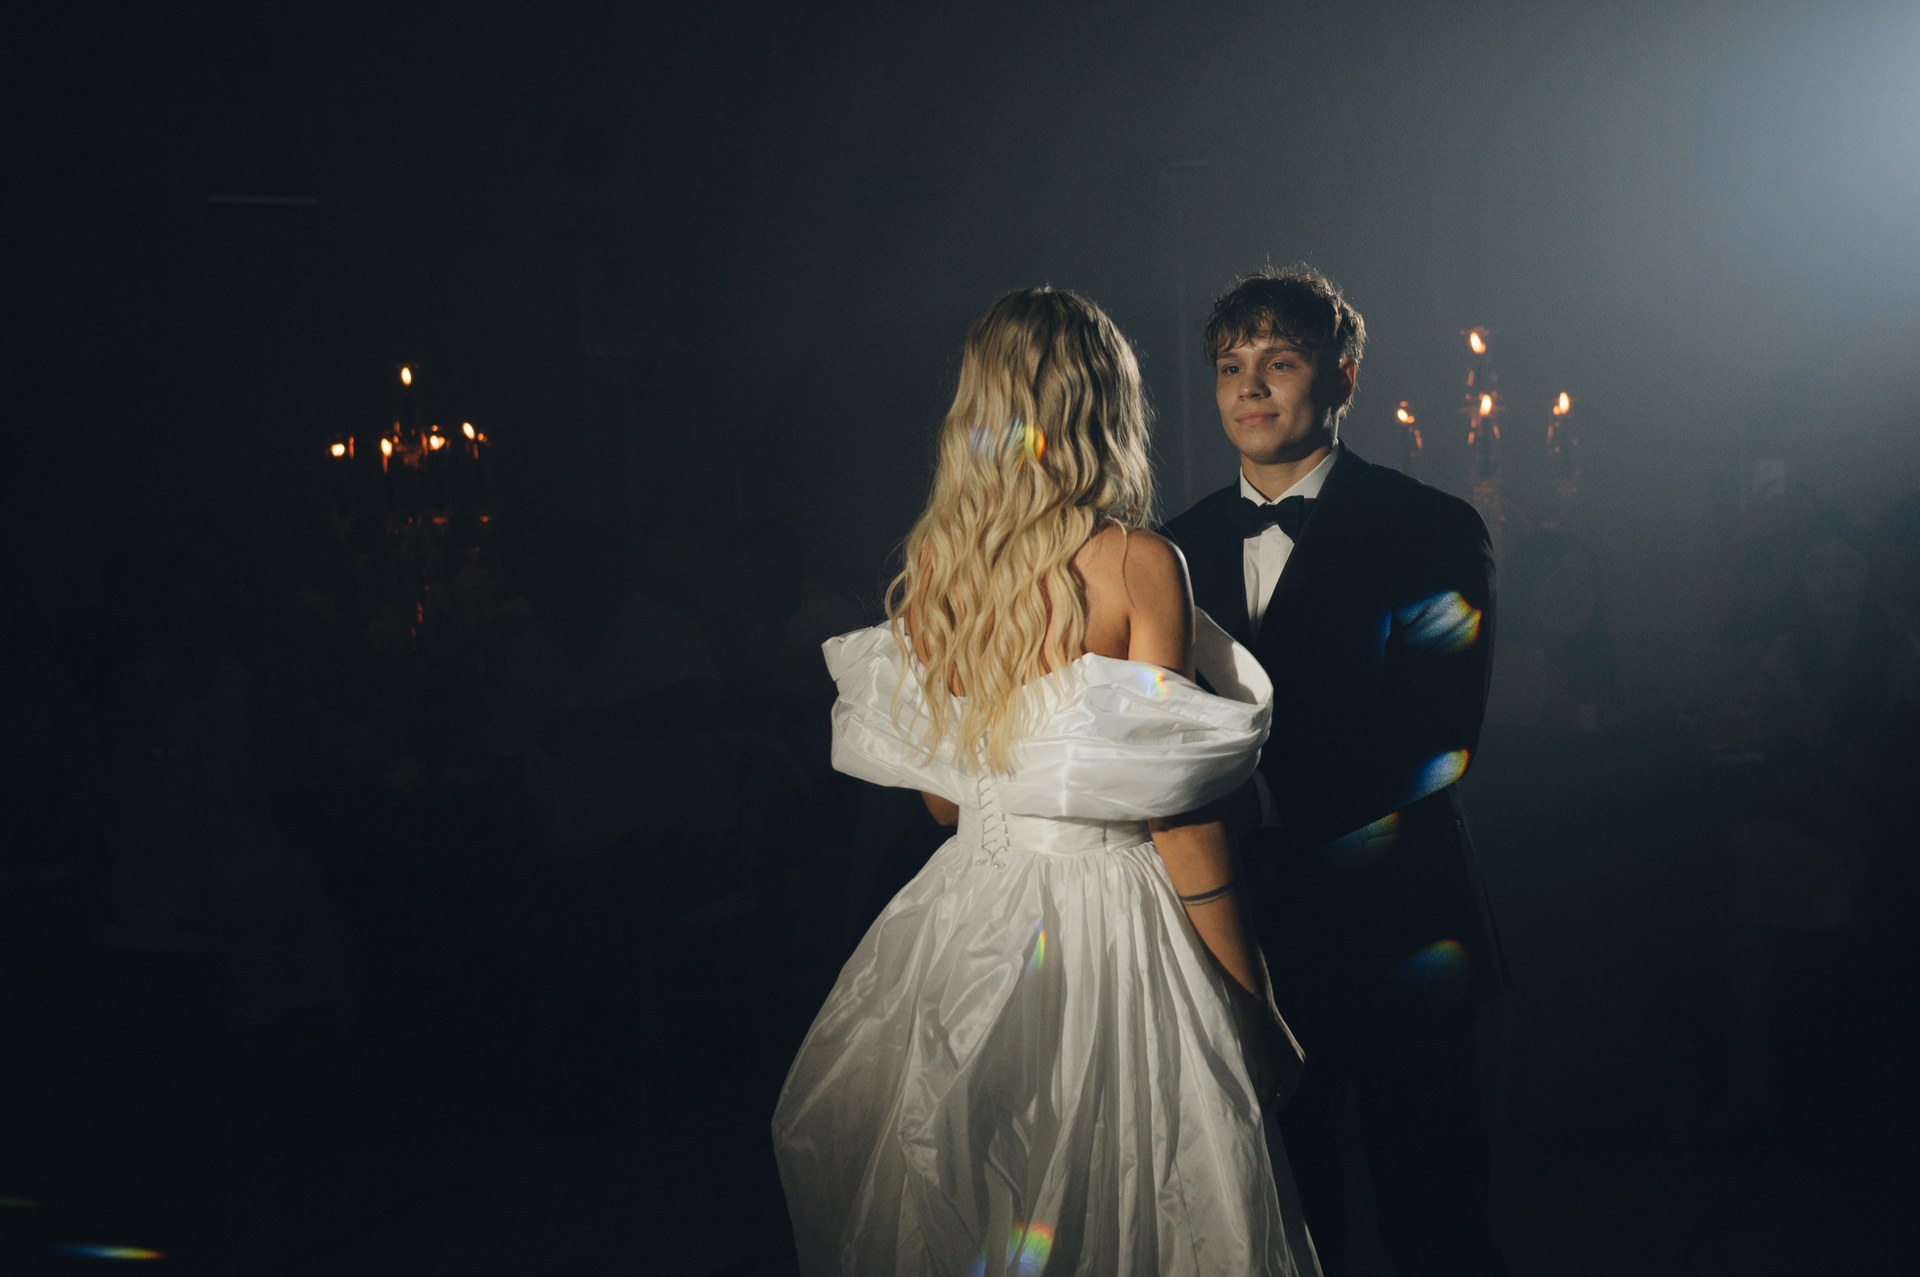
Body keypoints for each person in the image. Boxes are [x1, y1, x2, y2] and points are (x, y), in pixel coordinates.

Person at [773, 288, 1318, 1276]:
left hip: (965, 914)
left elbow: (946, 801)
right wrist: (1254, 1000)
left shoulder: (939, 570)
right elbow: (1177, 814)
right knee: (1134, 1198)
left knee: (984, 1193)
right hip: (1109, 921)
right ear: (1105, 405)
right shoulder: (1137, 562)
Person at [1161, 266, 1508, 1277]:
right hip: (1242, 938)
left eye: (1280, 360)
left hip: (1401, 926)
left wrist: (1259, 798)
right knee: (1278, 1223)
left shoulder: (1432, 525)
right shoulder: (1171, 547)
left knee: (1436, 1220)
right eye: (1232, 365)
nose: (1251, 385)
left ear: (1343, 376)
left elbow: (1442, 736)